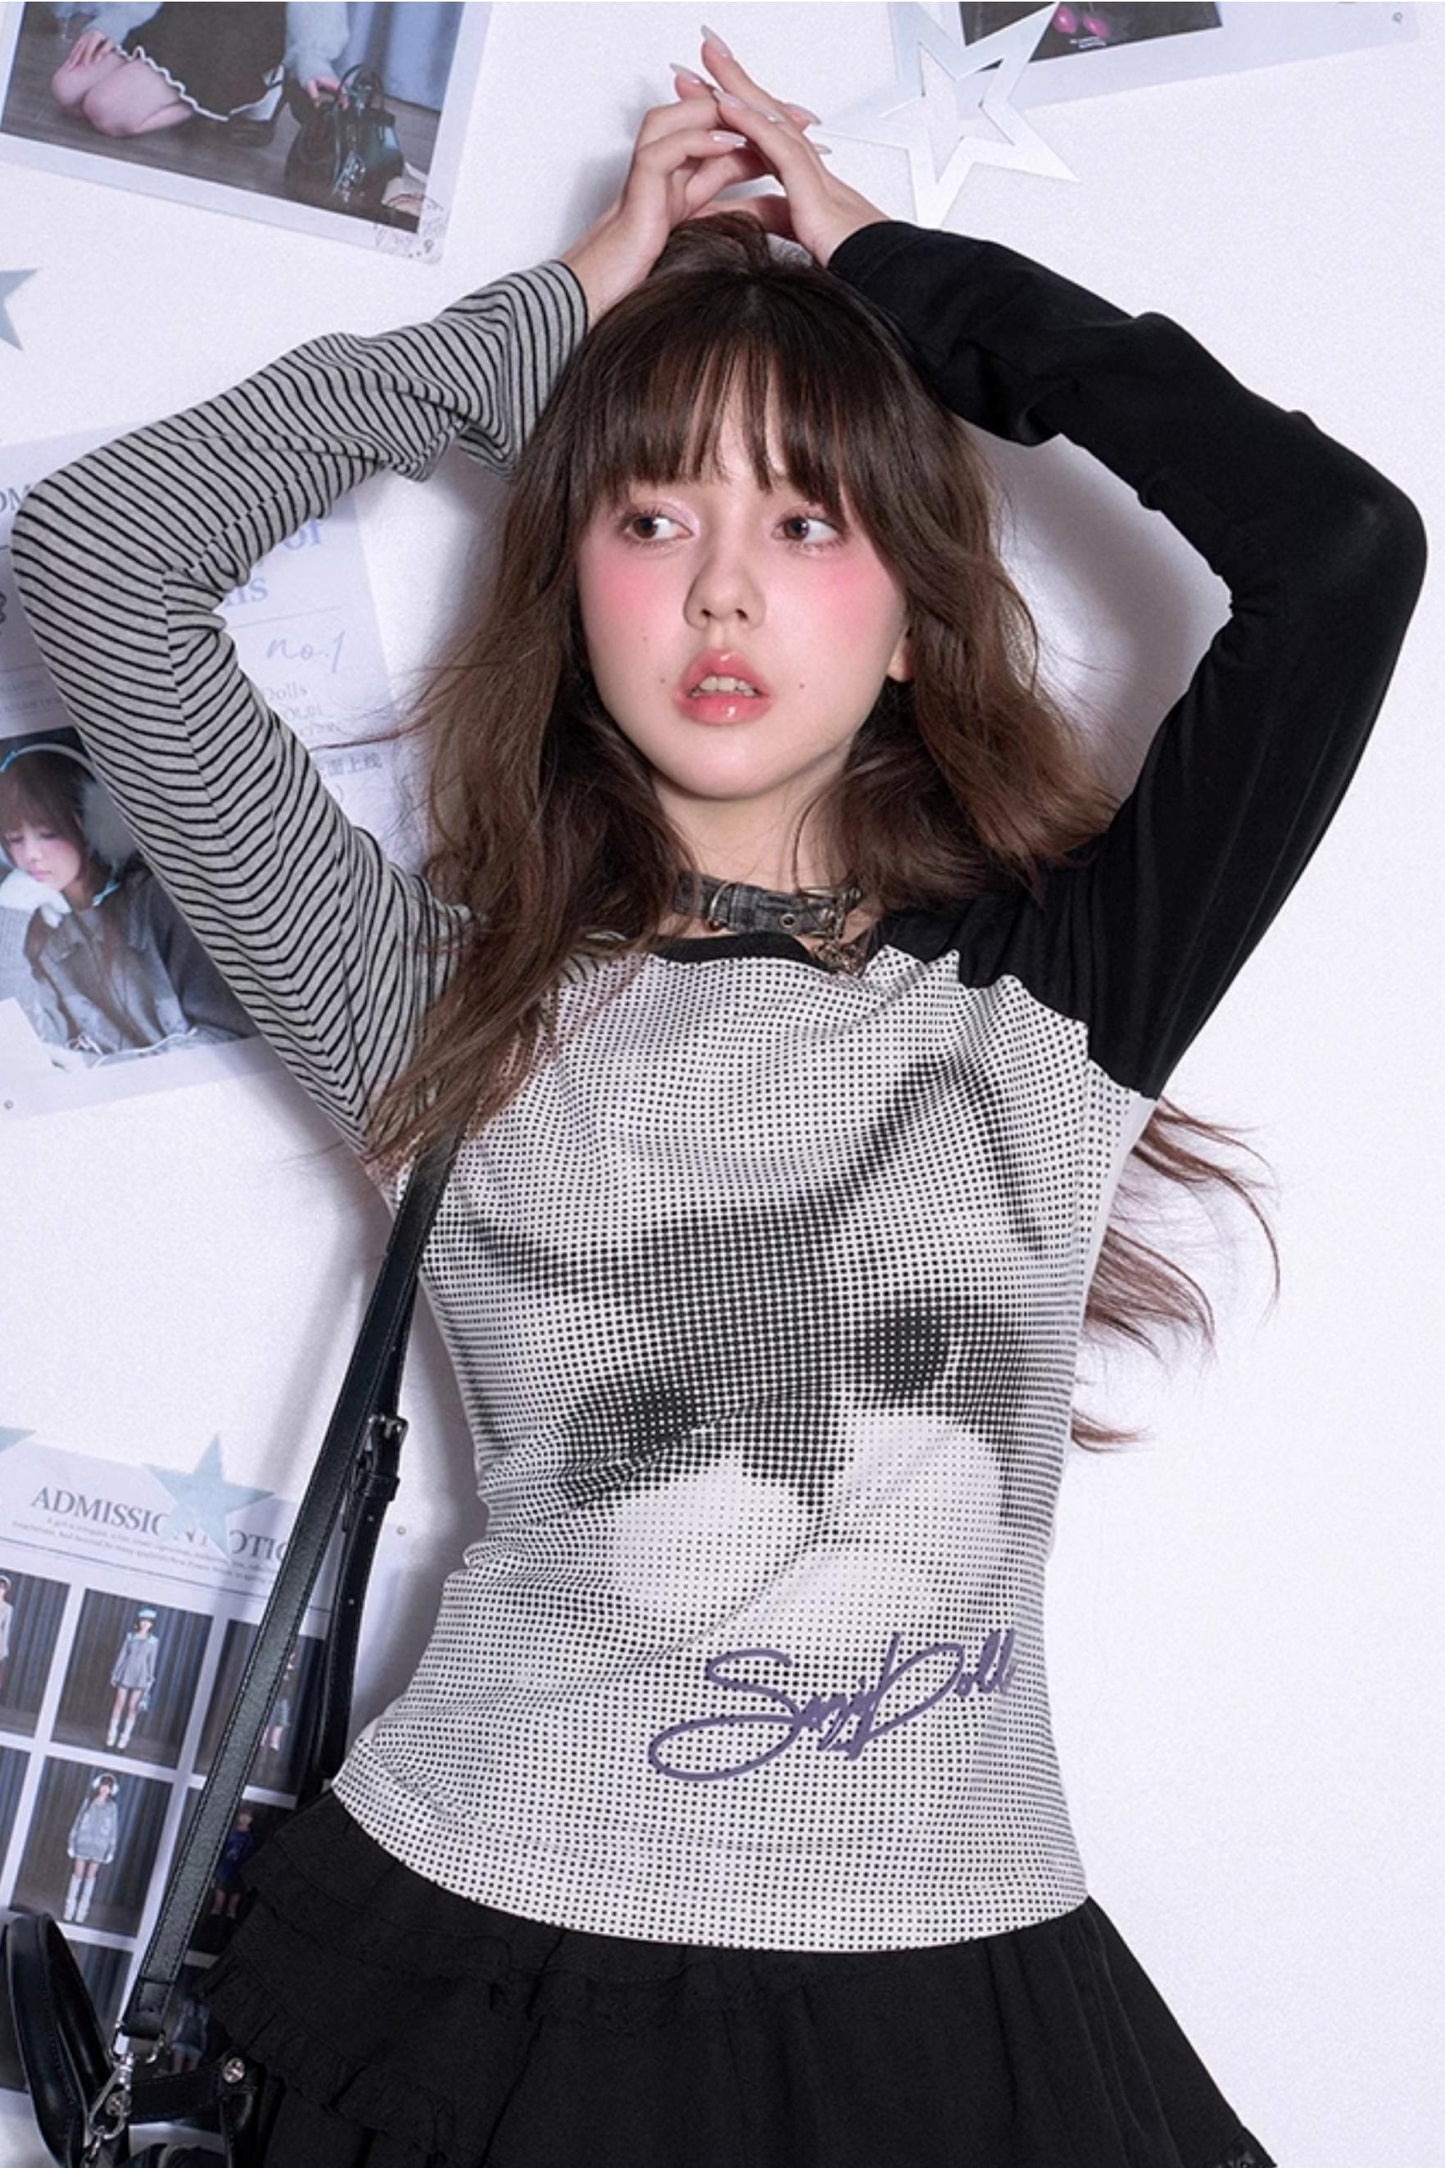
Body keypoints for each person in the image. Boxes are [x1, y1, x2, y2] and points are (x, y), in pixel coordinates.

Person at [9, 31, 1426, 2168]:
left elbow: (1339, 550)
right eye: (651, 515)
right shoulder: (433, 1000)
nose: (723, 587)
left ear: (914, 617)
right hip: (489, 1975)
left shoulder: (1059, 996)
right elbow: (101, 556)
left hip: (959, 2001)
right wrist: (562, 310)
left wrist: (899, 279)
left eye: (805, 516)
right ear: (570, 590)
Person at [0, 741, 257, 1064]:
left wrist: (97, 1069)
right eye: (15, 840)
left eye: (48, 834)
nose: (30, 854)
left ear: (93, 823)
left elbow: (229, 1035)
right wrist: (7, 921)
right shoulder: (39, 931)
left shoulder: (157, 903)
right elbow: (28, 1052)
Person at [48, 3, 345, 142]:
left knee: (106, 110)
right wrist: (117, 19)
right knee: (67, 88)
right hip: (182, 15)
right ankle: (194, 96)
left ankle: (245, 93)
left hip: (239, 35)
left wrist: (313, 58)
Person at [64, 1770, 120, 1925]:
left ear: (111, 1790)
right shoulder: (88, 1802)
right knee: (77, 1875)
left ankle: (82, 1912)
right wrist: (71, 1843)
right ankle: (69, 1910)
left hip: (100, 1847)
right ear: (98, 1786)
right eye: (103, 1785)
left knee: (90, 1878)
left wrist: (111, 1850)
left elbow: (114, 1829)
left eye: (108, 1786)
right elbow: (77, 1822)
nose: (105, 1789)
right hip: (82, 1844)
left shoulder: (112, 1807)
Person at [106, 1603, 159, 1751]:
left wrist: (150, 1679)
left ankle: (124, 1739)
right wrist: (115, 1673)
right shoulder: (130, 1637)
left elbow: (152, 1661)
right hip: (125, 1672)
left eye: (148, 1621)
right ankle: (111, 1736)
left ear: (152, 1624)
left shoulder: (154, 1641)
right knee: (119, 1703)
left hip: (141, 1675)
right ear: (139, 1621)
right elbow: (122, 1655)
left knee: (132, 1707)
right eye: (143, 1620)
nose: (145, 1624)